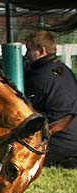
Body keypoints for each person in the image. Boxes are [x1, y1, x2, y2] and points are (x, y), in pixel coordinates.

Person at [24, 30, 77, 168]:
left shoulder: (39, 77)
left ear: (41, 50)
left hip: (57, 144)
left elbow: (22, 113)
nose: (26, 55)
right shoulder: (65, 70)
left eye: (29, 50)